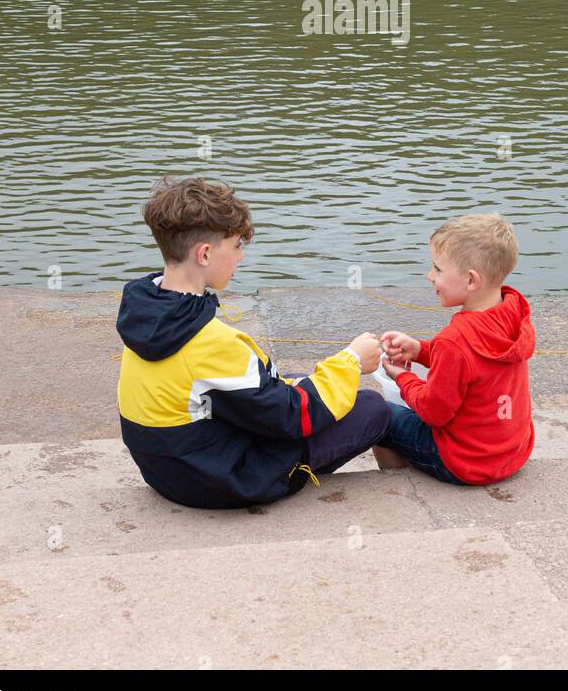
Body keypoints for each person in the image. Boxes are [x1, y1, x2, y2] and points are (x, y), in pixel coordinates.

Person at [116, 177, 389, 508]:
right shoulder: (211, 342)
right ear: (204, 254)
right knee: (373, 408)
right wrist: (353, 360)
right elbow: (293, 416)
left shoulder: (147, 311)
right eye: (235, 247)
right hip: (218, 480)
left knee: (289, 378)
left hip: (163, 470)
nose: (240, 257)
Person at [373, 214, 535, 485]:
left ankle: (401, 488)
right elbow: (475, 364)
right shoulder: (514, 310)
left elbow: (433, 412)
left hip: (466, 462)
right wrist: (420, 349)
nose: (429, 276)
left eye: (437, 269)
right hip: (512, 452)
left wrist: (402, 377)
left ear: (471, 280)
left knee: (379, 416)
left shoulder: (455, 340)